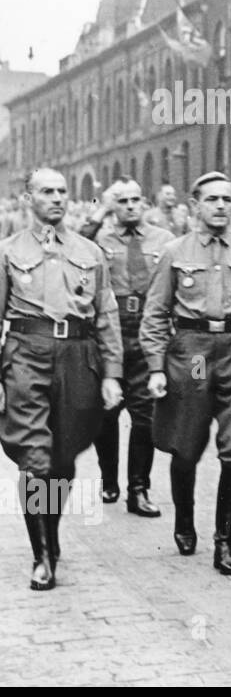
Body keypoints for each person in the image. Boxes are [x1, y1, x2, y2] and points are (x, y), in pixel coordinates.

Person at [139, 172, 231, 576]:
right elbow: (155, 313)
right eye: (212, 199)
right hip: (195, 354)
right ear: (196, 204)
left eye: (228, 198)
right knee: (186, 447)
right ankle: (184, 520)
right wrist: (155, 366)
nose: (221, 205)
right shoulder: (175, 251)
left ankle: (226, 542)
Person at [0, 169, 123, 591]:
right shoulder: (8, 251)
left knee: (63, 458)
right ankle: (41, 556)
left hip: (78, 356)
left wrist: (112, 375)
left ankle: (50, 530)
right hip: (26, 354)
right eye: (46, 192)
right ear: (27, 198)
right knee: (36, 458)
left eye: (62, 192)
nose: (56, 198)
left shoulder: (89, 251)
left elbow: (106, 316)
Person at [84, 179, 173, 516]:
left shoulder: (162, 240)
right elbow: (73, 242)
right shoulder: (99, 240)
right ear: (114, 206)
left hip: (148, 332)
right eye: (123, 201)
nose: (131, 206)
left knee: (146, 415)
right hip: (108, 333)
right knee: (106, 413)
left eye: (137, 199)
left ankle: (139, 489)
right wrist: (101, 209)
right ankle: (109, 479)